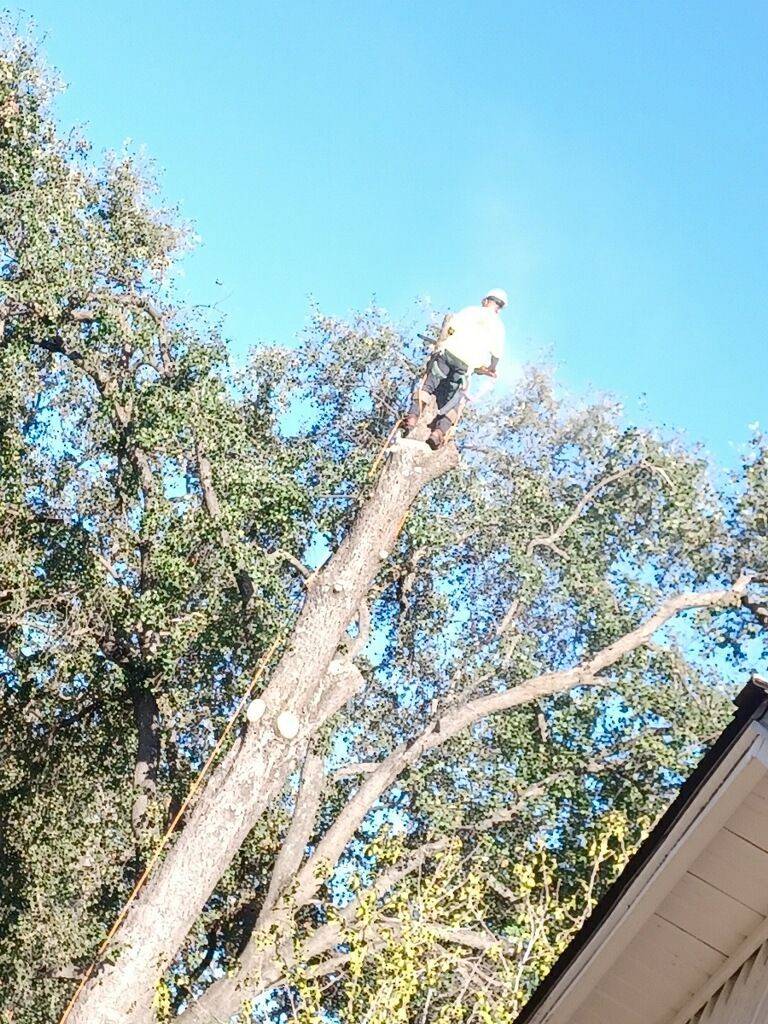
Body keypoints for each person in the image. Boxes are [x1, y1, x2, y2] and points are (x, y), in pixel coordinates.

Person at [404, 288, 507, 449]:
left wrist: (450, 341)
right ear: (499, 308)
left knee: (428, 385)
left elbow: (451, 329)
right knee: (455, 402)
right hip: (465, 366)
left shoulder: (471, 311)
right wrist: (491, 368)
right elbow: (497, 354)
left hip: (448, 354)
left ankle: (412, 416)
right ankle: (438, 433)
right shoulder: (498, 326)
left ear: (486, 301)